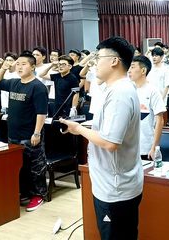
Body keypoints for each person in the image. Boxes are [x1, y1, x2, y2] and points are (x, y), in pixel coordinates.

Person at [60, 37, 142, 240]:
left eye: (98, 57)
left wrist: (79, 128)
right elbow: (108, 131)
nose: (94, 63)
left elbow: (110, 142)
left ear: (114, 61)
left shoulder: (120, 93)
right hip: (112, 183)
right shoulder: (115, 89)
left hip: (115, 188)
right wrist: (82, 128)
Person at [0, 52, 48, 212]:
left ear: (32, 66)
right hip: (13, 134)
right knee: (19, 167)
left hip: (30, 135)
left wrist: (37, 133)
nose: (19, 67)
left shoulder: (38, 87)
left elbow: (41, 113)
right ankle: (24, 193)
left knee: (35, 167)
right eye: (17, 64)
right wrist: (4, 68)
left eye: (23, 64)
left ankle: (38, 195)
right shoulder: (14, 82)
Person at [128, 55, 166, 159]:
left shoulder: (153, 91)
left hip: (146, 146)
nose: (129, 70)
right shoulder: (128, 89)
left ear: (143, 70)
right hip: (128, 147)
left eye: (133, 67)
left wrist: (154, 147)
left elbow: (160, 120)